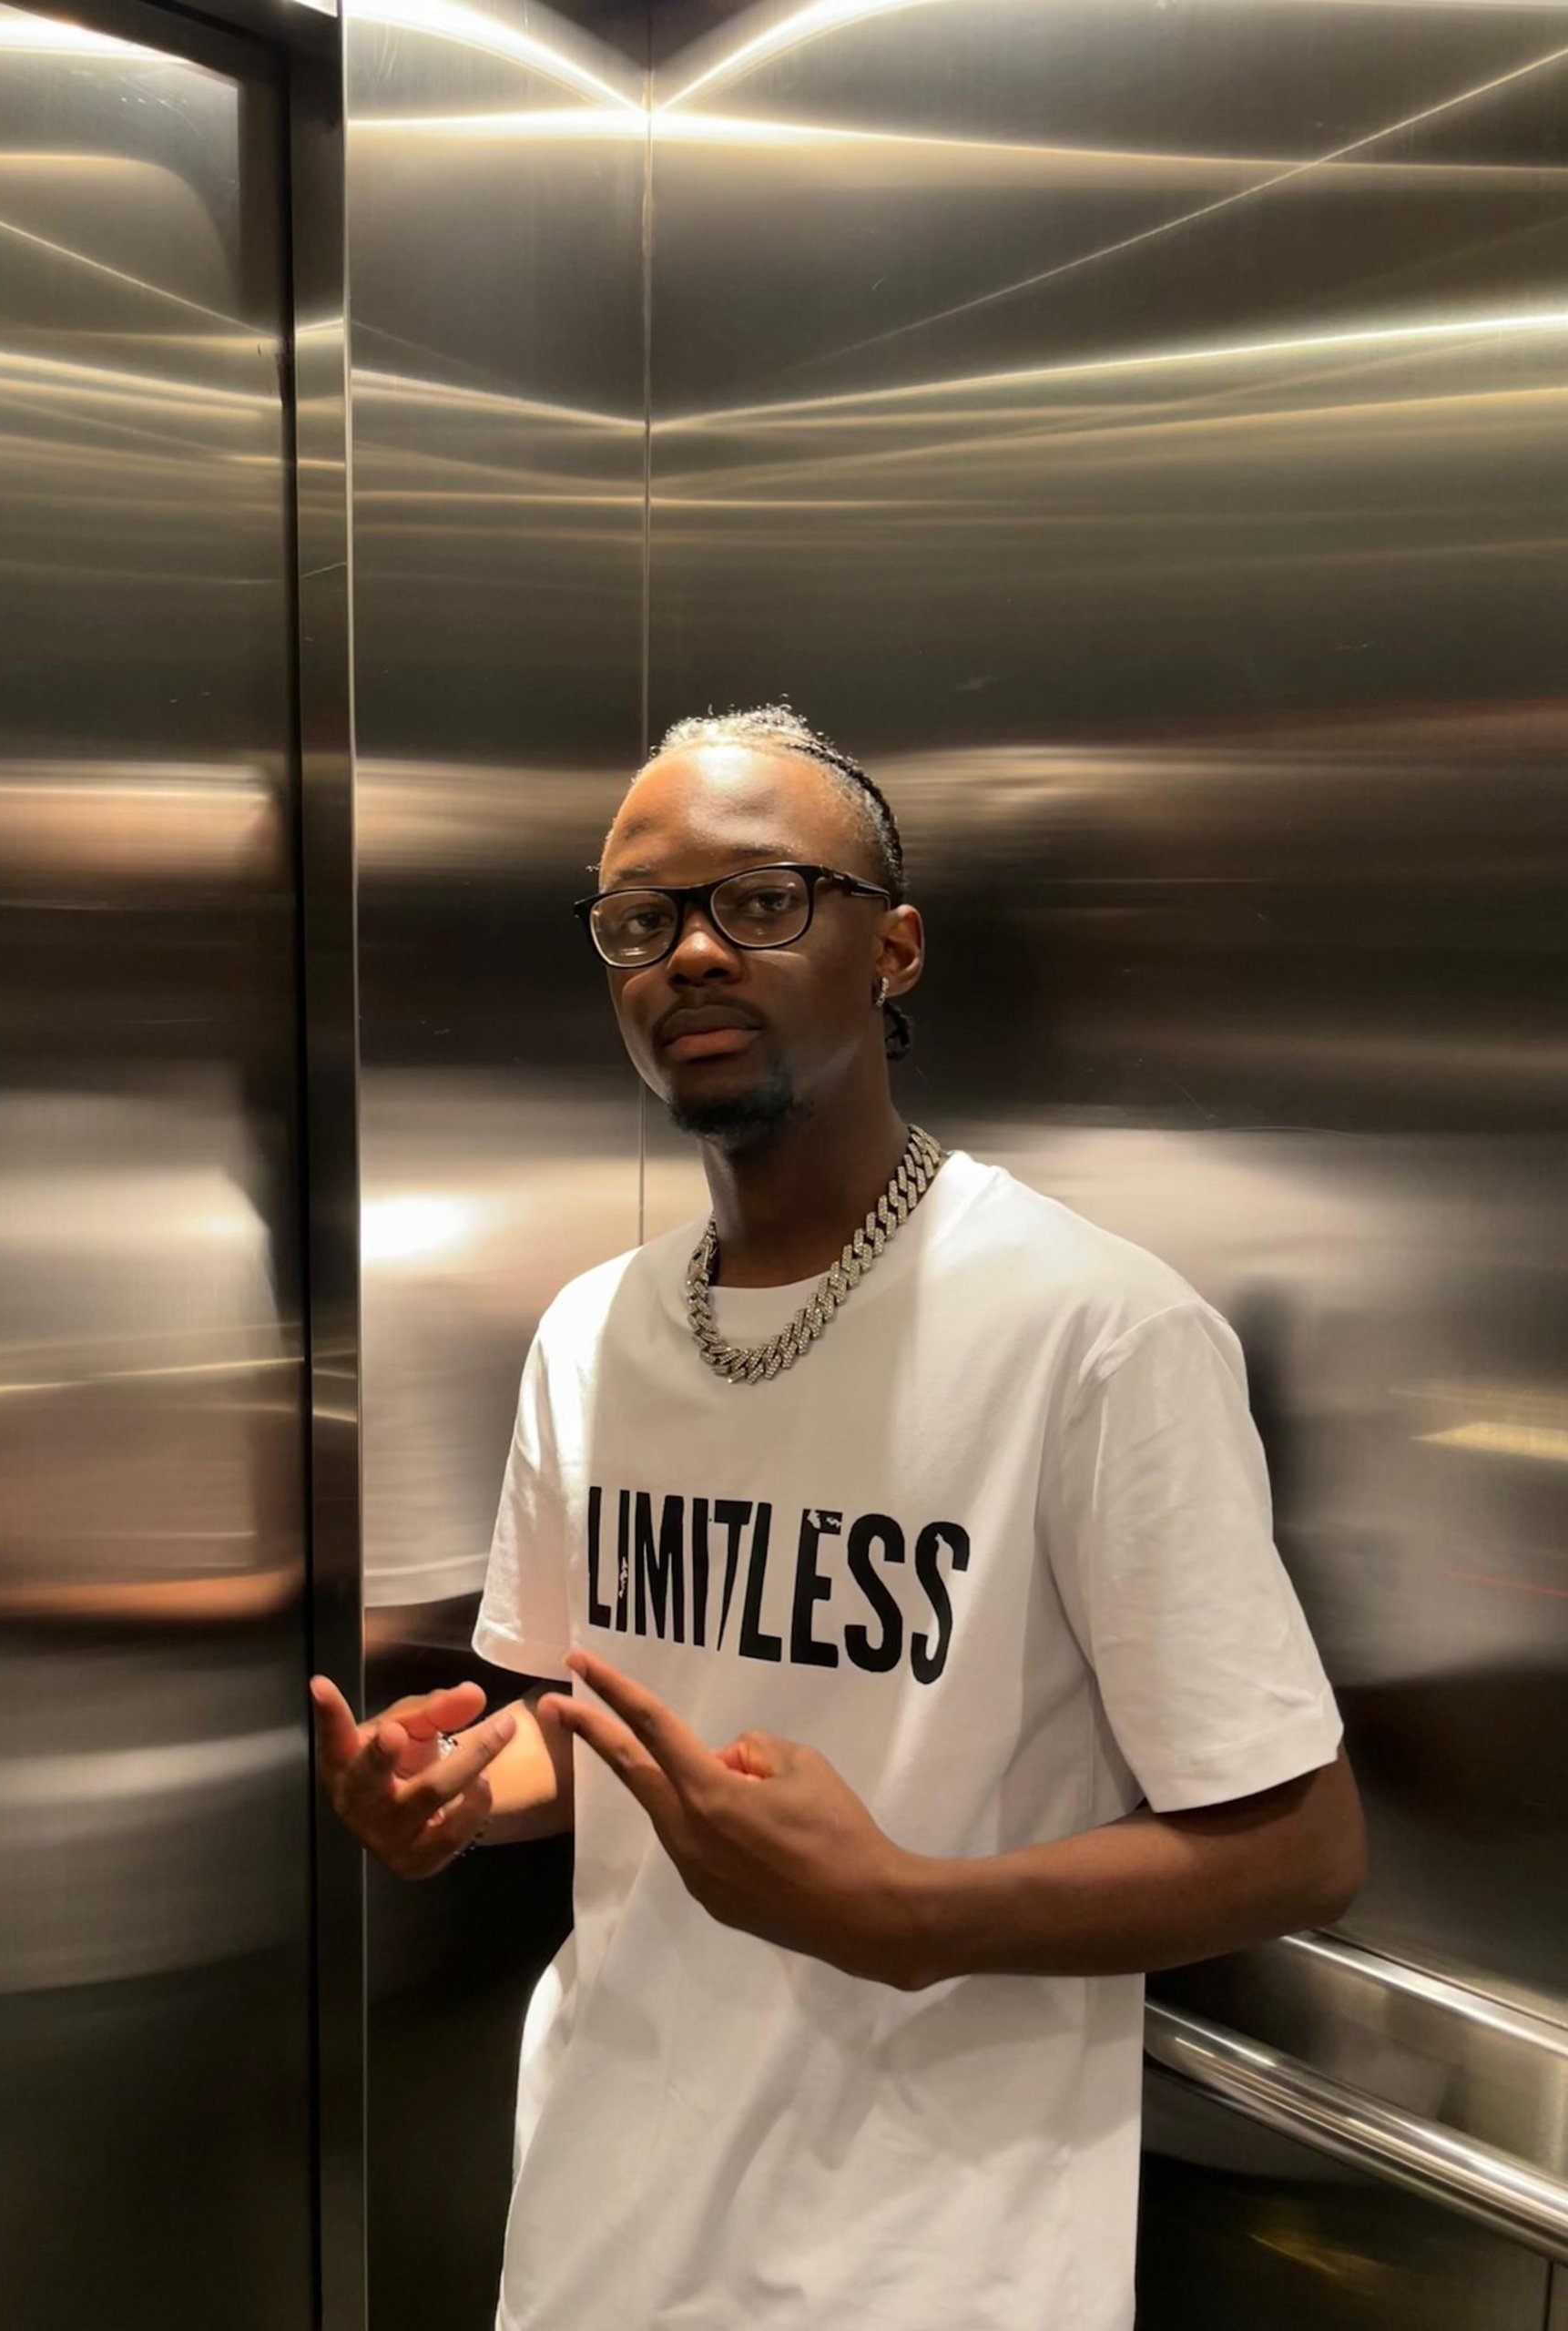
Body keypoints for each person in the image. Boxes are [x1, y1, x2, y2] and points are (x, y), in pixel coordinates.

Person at [311, 705, 1365, 2331]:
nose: (693, 953)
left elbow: (1301, 1846)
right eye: (640, 919)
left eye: (763, 900)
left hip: (931, 2260)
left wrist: (906, 1914)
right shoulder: (591, 1335)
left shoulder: (1096, 1336)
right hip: (601, 2233)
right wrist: (456, 1792)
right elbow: (599, 1733)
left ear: (895, 948)